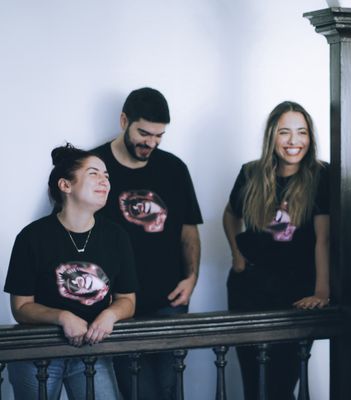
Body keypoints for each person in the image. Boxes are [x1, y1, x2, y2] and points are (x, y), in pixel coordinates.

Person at [93, 87, 203, 400]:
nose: (151, 143)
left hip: (169, 299)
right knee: (137, 392)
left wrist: (192, 278)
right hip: (117, 304)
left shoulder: (174, 169)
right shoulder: (95, 168)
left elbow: (188, 230)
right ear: (123, 121)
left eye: (159, 135)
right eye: (144, 133)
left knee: (170, 389)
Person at [4, 144, 137, 400]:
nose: (105, 181)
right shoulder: (32, 237)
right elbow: (21, 307)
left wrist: (110, 315)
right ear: (65, 185)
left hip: (92, 350)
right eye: (94, 173)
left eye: (106, 175)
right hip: (38, 351)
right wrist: (62, 317)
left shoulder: (117, 236)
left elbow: (127, 300)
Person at [223, 101, 330, 400]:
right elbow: (230, 214)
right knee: (254, 385)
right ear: (272, 135)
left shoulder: (321, 175)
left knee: (281, 386)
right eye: (285, 132)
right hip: (249, 288)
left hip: (296, 291)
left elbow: (323, 239)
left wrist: (322, 292)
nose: (294, 141)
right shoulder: (250, 172)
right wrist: (237, 255)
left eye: (302, 132)